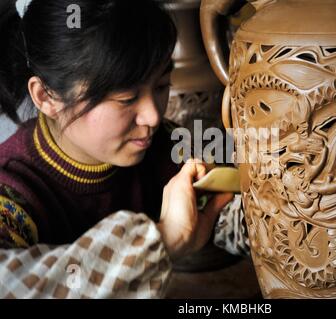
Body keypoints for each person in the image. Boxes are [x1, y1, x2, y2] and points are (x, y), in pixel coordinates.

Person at [0, 0, 249, 298]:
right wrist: (164, 238)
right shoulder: (12, 190)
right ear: (46, 97)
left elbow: (236, 212)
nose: (153, 116)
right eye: (126, 98)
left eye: (161, 86)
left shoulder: (167, 145)